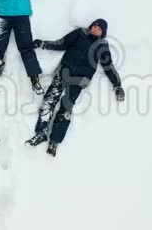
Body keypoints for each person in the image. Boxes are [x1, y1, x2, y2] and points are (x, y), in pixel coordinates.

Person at [24, 18, 126, 156]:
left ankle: (54, 141)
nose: (95, 29)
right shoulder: (80, 33)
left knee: (66, 108)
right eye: (94, 26)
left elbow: (108, 66)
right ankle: (41, 133)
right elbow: (62, 43)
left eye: (99, 29)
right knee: (49, 100)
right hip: (63, 72)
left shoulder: (102, 46)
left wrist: (117, 84)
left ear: (103, 33)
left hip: (79, 80)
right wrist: (43, 44)